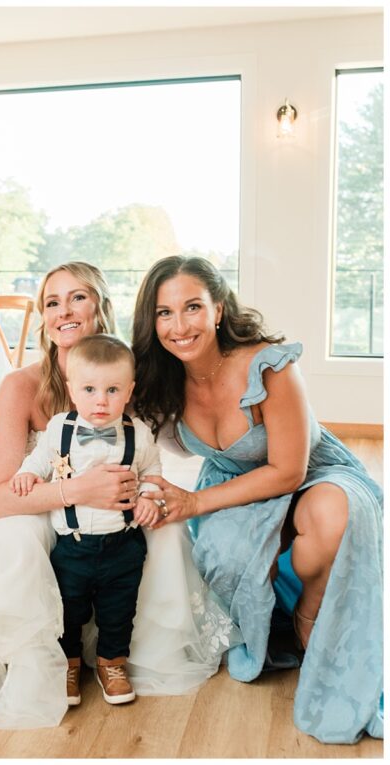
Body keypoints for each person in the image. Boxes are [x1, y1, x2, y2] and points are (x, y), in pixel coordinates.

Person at [0, 263, 238, 729]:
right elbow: (0, 499)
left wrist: (150, 495)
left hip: (115, 517)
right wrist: (78, 490)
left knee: (166, 531)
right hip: (32, 504)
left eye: (77, 298)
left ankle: (124, 654)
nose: (64, 311)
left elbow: (151, 456)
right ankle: (48, 656)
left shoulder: (126, 376)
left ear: (101, 307)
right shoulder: (21, 386)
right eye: (53, 302)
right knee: (20, 538)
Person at [131, 255, 383, 744]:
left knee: (334, 517)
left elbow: (288, 472)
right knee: (222, 555)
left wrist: (196, 503)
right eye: (164, 313)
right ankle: (271, 626)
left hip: (312, 473)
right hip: (236, 484)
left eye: (192, 307)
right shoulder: (159, 377)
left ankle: (308, 615)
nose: (179, 326)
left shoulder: (268, 365)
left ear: (218, 309)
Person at [11, 334, 164, 706]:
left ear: (129, 391)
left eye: (112, 390)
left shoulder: (138, 434)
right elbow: (41, 459)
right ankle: (70, 663)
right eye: (90, 389)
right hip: (73, 545)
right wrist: (28, 473)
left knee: (119, 609)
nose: (101, 400)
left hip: (123, 544)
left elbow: (153, 473)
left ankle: (112, 663)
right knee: (68, 608)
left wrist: (148, 496)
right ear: (72, 390)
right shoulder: (59, 428)